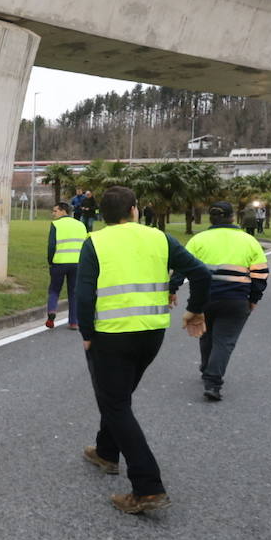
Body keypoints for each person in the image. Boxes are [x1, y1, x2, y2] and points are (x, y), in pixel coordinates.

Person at [76, 186, 210, 514]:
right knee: (118, 398)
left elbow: (84, 295)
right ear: (135, 209)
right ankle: (106, 452)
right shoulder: (160, 238)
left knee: (116, 402)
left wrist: (87, 334)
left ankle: (147, 486)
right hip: (151, 335)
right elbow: (201, 273)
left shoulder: (95, 242)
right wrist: (195, 309)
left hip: (111, 336)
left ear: (102, 215)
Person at [169, 201, 269, 402]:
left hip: (204, 298)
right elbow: (260, 274)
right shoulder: (248, 240)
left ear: (211, 218)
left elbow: (181, 266)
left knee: (206, 334)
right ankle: (213, 382)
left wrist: (172, 289)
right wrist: (254, 299)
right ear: (233, 217)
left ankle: (207, 367)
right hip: (236, 300)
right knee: (225, 340)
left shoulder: (199, 239)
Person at [45, 201, 86, 329]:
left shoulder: (56, 225)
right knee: (74, 293)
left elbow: (52, 246)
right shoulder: (81, 225)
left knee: (54, 290)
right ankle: (74, 322)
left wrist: (50, 261)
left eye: (55, 211)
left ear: (63, 211)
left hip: (59, 262)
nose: (53, 214)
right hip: (77, 263)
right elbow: (86, 245)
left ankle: (52, 312)